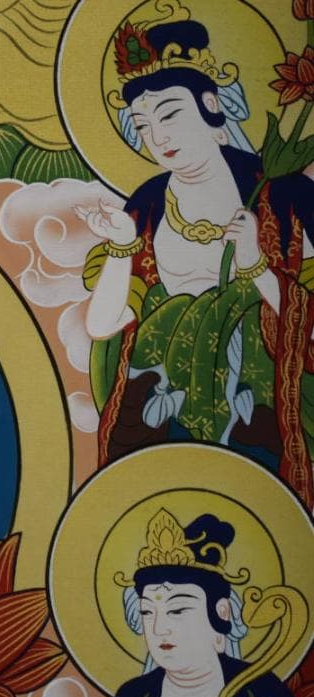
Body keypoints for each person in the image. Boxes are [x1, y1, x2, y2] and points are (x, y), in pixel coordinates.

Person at [79, 18, 314, 508]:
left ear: (210, 105)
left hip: (262, 409)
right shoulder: (146, 206)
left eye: (170, 114)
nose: (157, 136)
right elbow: (102, 325)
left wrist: (255, 267)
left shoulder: (281, 195)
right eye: (143, 125)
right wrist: (121, 245)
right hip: (163, 409)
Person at [97, 509, 303, 697]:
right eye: (147, 611)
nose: (159, 628)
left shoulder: (261, 694)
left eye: (177, 610)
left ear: (221, 612)